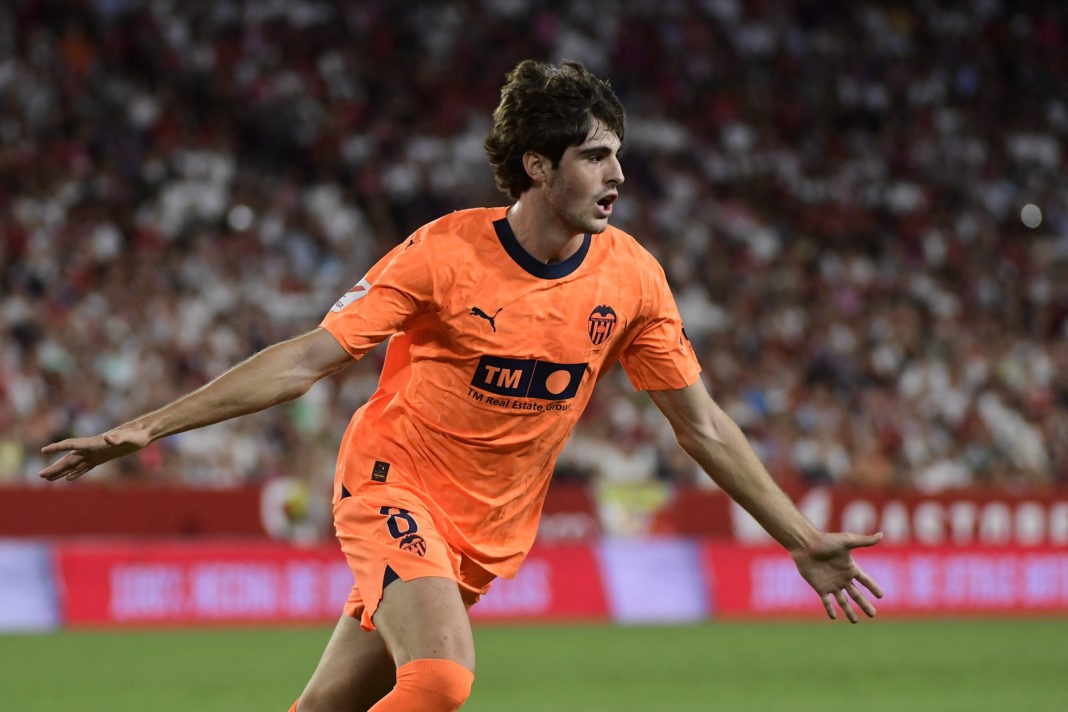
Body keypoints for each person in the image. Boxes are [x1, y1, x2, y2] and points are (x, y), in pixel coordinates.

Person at [39, 59, 883, 711]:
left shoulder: (633, 280)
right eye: (595, 157)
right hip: (389, 485)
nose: (618, 175)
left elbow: (701, 425)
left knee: (331, 704)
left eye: (619, 154)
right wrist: (146, 428)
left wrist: (799, 536)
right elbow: (307, 359)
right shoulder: (441, 255)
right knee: (441, 678)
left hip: (485, 536)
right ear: (537, 166)